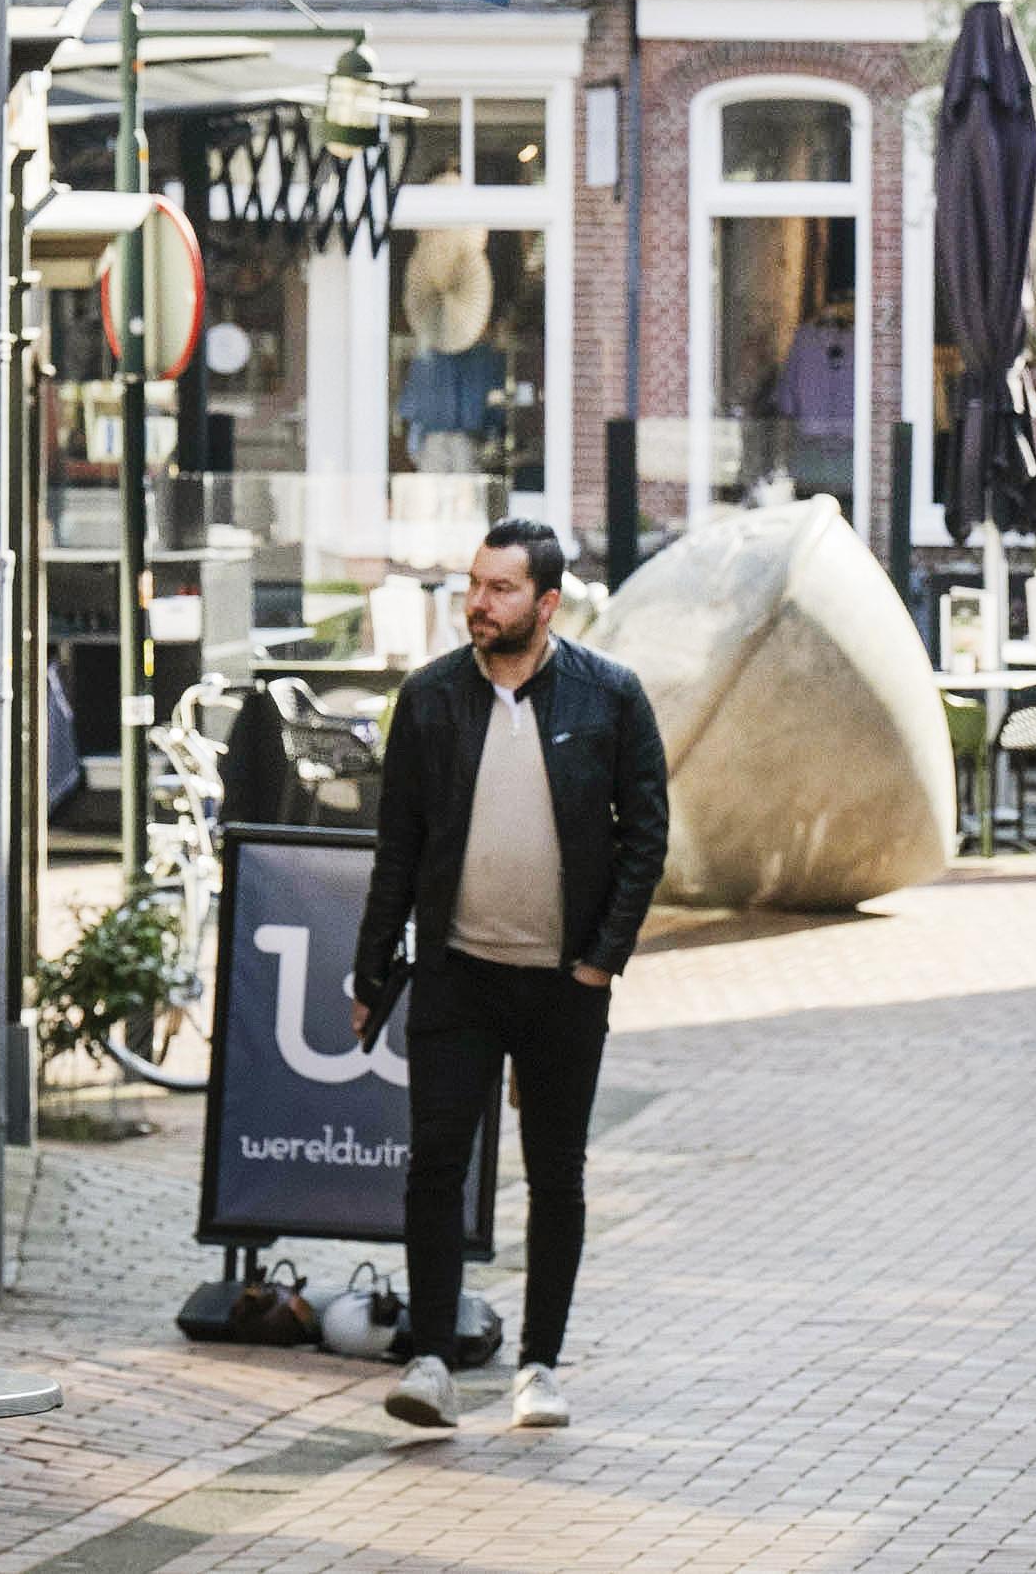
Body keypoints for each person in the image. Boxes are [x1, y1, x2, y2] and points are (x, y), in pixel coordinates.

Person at [352, 519, 669, 1436]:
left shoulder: (611, 697)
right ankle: (432, 1359)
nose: (478, 603)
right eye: (475, 584)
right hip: (457, 971)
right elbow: (398, 846)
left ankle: (539, 1364)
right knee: (436, 1164)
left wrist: (600, 957)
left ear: (547, 602)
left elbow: (646, 833)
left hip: (561, 985)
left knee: (556, 1174)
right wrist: (372, 967)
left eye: (499, 589)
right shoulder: (431, 698)